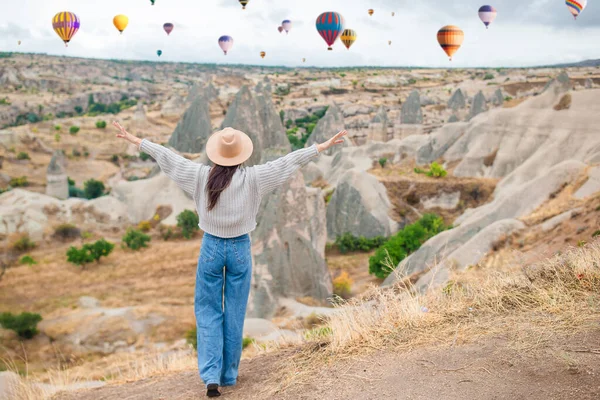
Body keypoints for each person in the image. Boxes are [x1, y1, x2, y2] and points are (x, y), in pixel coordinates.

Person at [112, 121, 346, 397]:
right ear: (241, 155)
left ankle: (211, 376)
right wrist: (321, 146)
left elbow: (169, 158)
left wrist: (136, 140)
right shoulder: (254, 178)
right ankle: (229, 376)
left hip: (211, 248)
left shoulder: (200, 176)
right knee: (234, 313)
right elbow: (287, 163)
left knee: (208, 311)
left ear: (215, 155)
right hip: (239, 249)